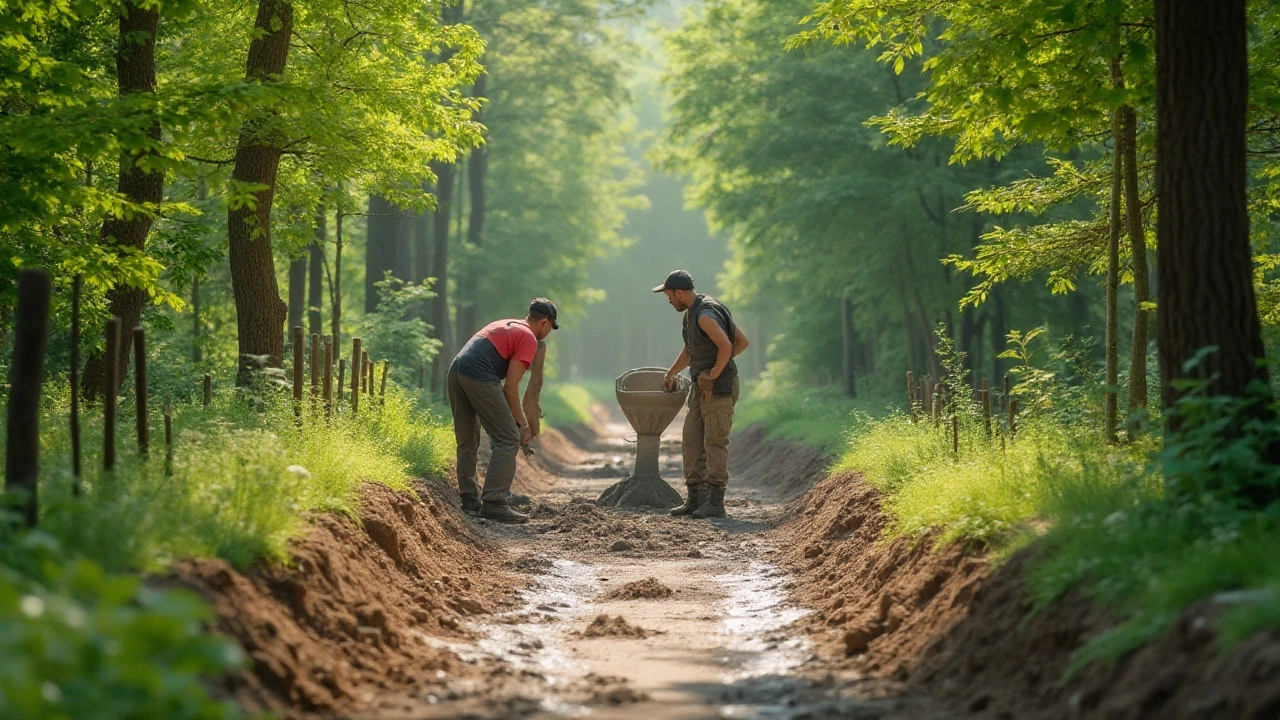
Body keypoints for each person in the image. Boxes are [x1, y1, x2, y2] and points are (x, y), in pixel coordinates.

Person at [447, 298, 558, 523]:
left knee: (467, 439)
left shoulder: (507, 324)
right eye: (551, 328)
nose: (548, 333)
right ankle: (495, 503)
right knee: (508, 438)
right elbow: (510, 388)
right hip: (478, 374)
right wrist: (523, 425)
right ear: (545, 323)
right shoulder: (529, 338)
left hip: (456, 370)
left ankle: (469, 500)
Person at [654, 270, 749, 519]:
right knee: (691, 439)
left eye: (669, 296)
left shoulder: (706, 314)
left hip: (718, 388)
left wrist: (715, 371)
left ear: (679, 293)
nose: (669, 301)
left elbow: (732, 344)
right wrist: (672, 373)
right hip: (700, 386)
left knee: (715, 442)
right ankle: (695, 499)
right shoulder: (691, 314)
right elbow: (690, 349)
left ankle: (715, 503)